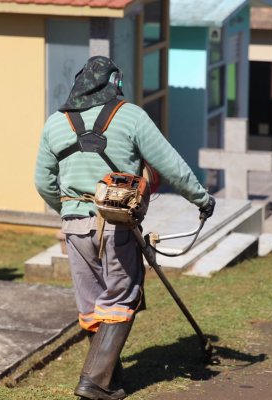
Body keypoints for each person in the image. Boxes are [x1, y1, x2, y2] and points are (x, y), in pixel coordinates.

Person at [34, 56, 215, 400]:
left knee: (92, 304)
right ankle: (95, 382)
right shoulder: (130, 116)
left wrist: (69, 211)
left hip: (74, 227)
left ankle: (110, 379)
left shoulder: (55, 123)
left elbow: (43, 182)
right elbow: (169, 164)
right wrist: (201, 199)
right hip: (117, 225)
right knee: (122, 297)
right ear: (115, 83)